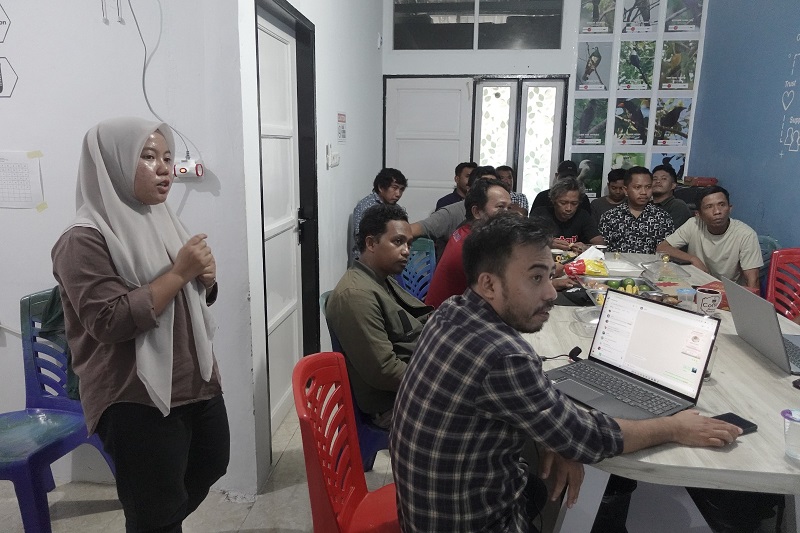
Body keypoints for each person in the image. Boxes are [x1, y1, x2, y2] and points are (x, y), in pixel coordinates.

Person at [390, 213, 741, 532]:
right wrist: (674, 426)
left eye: (550, 275)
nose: (549, 292)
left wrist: (555, 435)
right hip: (470, 521)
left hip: (425, 510)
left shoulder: (452, 310)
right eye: (535, 278)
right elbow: (587, 438)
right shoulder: (504, 356)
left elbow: (552, 423)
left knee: (541, 485)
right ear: (489, 285)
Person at [51, 117, 229, 532]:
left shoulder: (161, 218)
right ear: (111, 165)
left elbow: (190, 297)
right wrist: (181, 273)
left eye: (167, 158)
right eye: (148, 157)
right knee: (155, 507)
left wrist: (207, 280)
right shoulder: (82, 239)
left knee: (210, 465)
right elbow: (109, 320)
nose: (164, 169)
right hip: (133, 395)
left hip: (193, 379)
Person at [327, 203, 433, 428]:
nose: (406, 251)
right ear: (371, 243)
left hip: (412, 382)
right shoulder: (356, 295)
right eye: (398, 242)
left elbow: (417, 319)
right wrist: (439, 381)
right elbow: (385, 371)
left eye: (408, 244)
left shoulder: (380, 278)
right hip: (393, 404)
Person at [424, 178, 512, 308]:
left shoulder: (465, 230)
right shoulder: (476, 248)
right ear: (476, 212)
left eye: (509, 208)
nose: (508, 215)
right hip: (446, 317)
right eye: (500, 207)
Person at [656, 186, 763, 288]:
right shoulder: (694, 224)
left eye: (722, 205)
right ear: (698, 214)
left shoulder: (746, 235)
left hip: (728, 291)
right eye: (709, 207)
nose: (717, 211)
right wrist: (693, 259)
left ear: (730, 208)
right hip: (696, 286)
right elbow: (662, 248)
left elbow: (752, 280)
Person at [599, 166, 675, 254]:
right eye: (637, 187)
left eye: (648, 187)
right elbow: (602, 251)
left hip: (652, 263)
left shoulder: (663, 218)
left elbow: (667, 252)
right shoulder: (610, 217)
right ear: (626, 190)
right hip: (617, 262)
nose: (644, 192)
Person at [529, 175, 604, 254]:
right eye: (563, 203)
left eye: (574, 203)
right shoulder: (540, 214)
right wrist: (547, 243)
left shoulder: (583, 215)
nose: (569, 208)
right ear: (553, 201)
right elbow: (526, 241)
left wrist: (587, 248)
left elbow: (600, 243)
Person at [351, 167, 408, 263]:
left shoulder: (396, 208)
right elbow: (362, 239)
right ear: (381, 187)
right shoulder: (366, 207)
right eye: (394, 188)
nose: (398, 194)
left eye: (401, 189)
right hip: (367, 261)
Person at [652, 164, 692, 228]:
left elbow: (670, 232)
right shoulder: (645, 205)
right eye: (654, 179)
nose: (658, 181)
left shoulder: (678, 206)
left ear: (673, 185)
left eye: (664, 178)